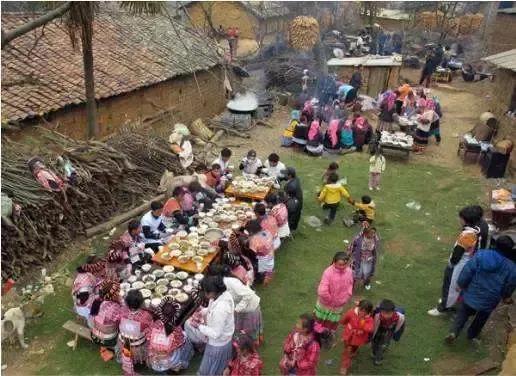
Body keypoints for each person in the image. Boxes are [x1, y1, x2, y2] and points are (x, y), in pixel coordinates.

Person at [445, 236, 516, 344]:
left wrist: (460, 283)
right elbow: (510, 285)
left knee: (463, 313)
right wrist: (506, 296)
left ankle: (454, 332)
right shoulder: (511, 268)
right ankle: (472, 335)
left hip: (472, 291)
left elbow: (468, 270)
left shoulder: (482, 254)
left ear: (495, 244)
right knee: (482, 317)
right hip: (491, 298)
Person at [428, 206, 481, 316]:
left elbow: (457, 254)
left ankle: (443, 308)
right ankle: (447, 301)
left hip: (458, 265)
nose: (459, 220)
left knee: (450, 285)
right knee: (453, 286)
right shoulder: (476, 231)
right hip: (466, 263)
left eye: (460, 218)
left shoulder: (466, 236)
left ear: (465, 220)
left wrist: (451, 263)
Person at [186, 275, 235, 376]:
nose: (204, 293)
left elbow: (215, 333)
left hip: (218, 343)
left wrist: (199, 326)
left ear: (212, 292)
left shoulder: (220, 309)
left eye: (205, 291)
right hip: (221, 338)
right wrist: (203, 312)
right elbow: (211, 308)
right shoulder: (221, 295)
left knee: (209, 369)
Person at [209, 265, 263, 344]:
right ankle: (247, 341)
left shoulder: (230, 282)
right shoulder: (222, 284)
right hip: (242, 307)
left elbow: (248, 294)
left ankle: (253, 345)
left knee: (250, 329)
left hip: (250, 307)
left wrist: (237, 308)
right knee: (242, 327)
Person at [146, 298, 193, 373]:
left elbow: (148, 337)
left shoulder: (155, 324)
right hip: (168, 359)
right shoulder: (176, 328)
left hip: (154, 358)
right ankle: (176, 366)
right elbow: (180, 342)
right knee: (185, 338)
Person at [315, 252, 354, 332]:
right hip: (325, 305)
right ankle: (317, 334)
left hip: (338, 305)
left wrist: (347, 295)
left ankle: (327, 333)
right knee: (320, 322)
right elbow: (322, 291)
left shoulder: (349, 272)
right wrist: (330, 300)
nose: (342, 267)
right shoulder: (328, 273)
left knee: (331, 322)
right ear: (334, 262)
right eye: (340, 264)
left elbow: (350, 283)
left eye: (345, 264)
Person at [117, 289, 153, 366]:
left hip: (123, 343)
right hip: (137, 346)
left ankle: (128, 358)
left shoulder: (121, 311)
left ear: (126, 303)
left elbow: (117, 322)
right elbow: (150, 330)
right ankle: (142, 357)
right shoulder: (146, 316)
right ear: (141, 303)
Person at [339, 300, 374, 375]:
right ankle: (344, 366)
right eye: (361, 310)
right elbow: (345, 319)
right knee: (347, 351)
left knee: (354, 348)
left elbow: (370, 328)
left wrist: (363, 323)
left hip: (358, 339)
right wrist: (343, 322)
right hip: (349, 335)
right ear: (358, 307)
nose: (362, 313)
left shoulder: (368, 319)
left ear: (369, 312)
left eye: (365, 312)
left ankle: (354, 352)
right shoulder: (351, 312)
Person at [372, 299, 406, 366]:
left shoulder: (400, 318)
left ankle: (378, 359)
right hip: (379, 329)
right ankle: (374, 352)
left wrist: (396, 336)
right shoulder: (376, 314)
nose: (386, 316)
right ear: (380, 311)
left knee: (383, 345)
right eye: (384, 313)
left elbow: (401, 328)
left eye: (389, 314)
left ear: (393, 311)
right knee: (374, 342)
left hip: (389, 331)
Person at [90, 280, 122, 351]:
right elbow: (120, 321)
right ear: (115, 295)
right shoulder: (115, 307)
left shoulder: (96, 300)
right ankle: (117, 350)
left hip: (94, 335)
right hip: (108, 339)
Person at [348, 224, 380, 290]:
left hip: (368, 260)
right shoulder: (359, 239)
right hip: (358, 259)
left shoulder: (375, 239)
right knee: (354, 273)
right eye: (371, 233)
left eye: (374, 233)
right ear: (365, 233)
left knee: (367, 273)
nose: (373, 235)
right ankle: (351, 285)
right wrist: (349, 254)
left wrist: (373, 258)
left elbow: (376, 250)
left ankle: (366, 283)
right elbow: (351, 246)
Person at [246, 219, 275, 285]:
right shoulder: (267, 231)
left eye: (248, 231)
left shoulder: (254, 240)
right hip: (271, 255)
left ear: (251, 230)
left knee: (247, 259)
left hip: (262, 261)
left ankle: (258, 277)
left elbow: (252, 254)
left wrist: (248, 242)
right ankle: (264, 274)